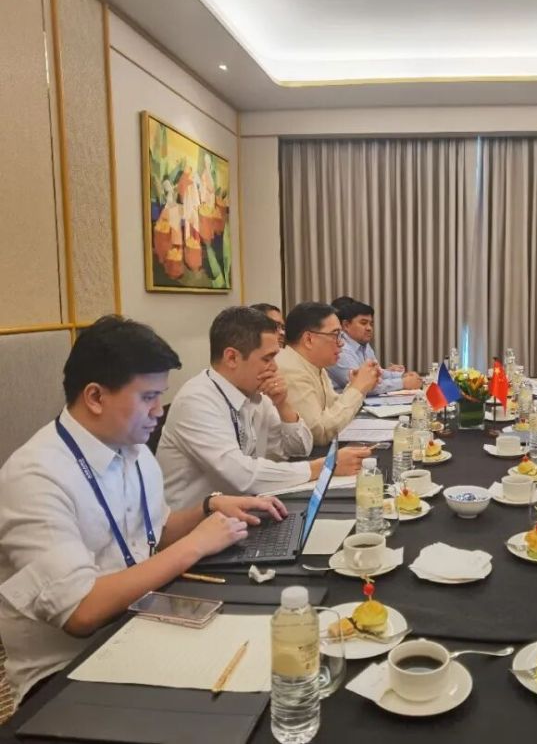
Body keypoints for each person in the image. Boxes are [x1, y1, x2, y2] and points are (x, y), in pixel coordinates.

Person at [0, 316, 286, 707]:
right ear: (95, 397)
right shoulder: (35, 477)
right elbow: (80, 612)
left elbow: (155, 532)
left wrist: (208, 509)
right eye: (148, 397)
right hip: (67, 670)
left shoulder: (132, 449)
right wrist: (196, 545)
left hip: (139, 621)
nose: (158, 411)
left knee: (271, 657)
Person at [157, 307, 367, 511]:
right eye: (267, 358)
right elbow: (242, 475)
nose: (275, 367)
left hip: (241, 511)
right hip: (196, 526)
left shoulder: (254, 392)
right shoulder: (196, 400)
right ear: (232, 358)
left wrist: (283, 405)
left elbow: (299, 449)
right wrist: (324, 467)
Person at [276, 301, 380, 446]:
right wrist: (358, 388)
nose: (341, 343)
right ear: (309, 339)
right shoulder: (290, 369)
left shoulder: (315, 365)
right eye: (335, 335)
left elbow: (333, 409)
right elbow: (319, 433)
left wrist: (354, 386)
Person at [327, 300, 422, 395]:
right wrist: (403, 383)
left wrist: (402, 376)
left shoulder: (363, 344)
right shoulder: (340, 349)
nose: (369, 328)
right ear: (346, 325)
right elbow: (362, 386)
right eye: (363, 323)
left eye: (371, 324)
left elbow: (377, 373)